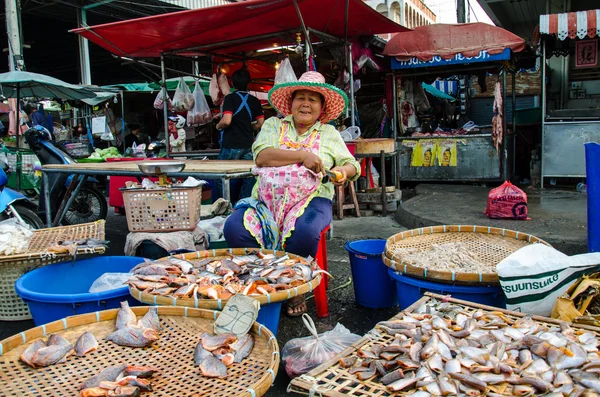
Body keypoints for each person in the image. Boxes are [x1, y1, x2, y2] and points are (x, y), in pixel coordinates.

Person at [223, 71, 360, 317]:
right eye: (301, 98)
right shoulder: (274, 125)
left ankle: (296, 284)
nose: (305, 104)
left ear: (322, 107)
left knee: (305, 231)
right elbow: (262, 156)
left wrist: (341, 171)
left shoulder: (329, 134)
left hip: (312, 199)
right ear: (291, 102)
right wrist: (302, 156)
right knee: (234, 227)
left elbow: (352, 165)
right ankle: (262, 277)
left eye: (313, 99)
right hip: (265, 200)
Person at [215, 67, 264, 201]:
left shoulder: (230, 98)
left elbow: (226, 121)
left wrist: (218, 126)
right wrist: (247, 126)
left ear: (232, 84)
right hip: (248, 144)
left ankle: (224, 204)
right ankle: (243, 203)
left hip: (231, 144)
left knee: (220, 176)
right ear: (248, 83)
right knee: (249, 175)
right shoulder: (254, 100)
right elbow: (260, 123)